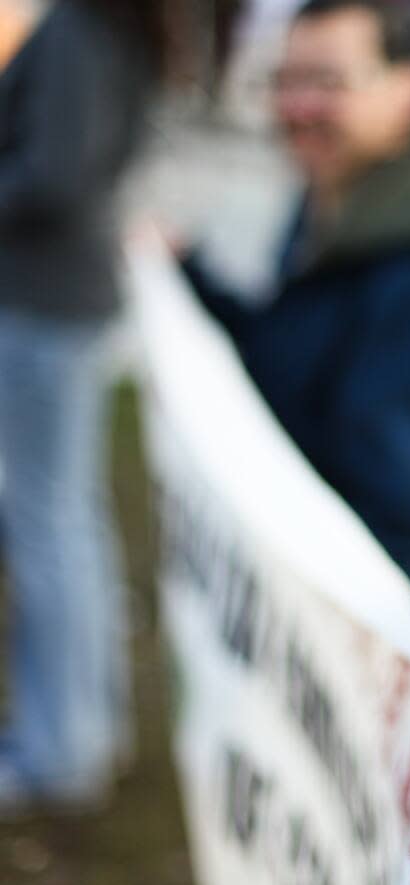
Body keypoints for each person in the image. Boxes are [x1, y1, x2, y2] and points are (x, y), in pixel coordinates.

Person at [184, 0, 410, 614]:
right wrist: (192, 285)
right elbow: (295, 363)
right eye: (286, 81)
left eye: (328, 82)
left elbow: (399, 517)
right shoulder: (335, 205)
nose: (297, 106)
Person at [0, 0, 163, 810]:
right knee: (69, 519)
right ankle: (84, 729)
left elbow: (55, 176)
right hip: (65, 302)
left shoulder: (77, 29)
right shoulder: (115, 29)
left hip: (41, 305)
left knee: (47, 524)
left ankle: (59, 748)